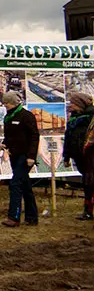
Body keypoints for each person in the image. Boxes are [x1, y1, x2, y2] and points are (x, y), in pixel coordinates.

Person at [0, 90, 39, 227]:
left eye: (7, 103)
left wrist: (31, 156)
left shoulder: (26, 116)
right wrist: (5, 143)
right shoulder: (8, 117)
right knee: (25, 185)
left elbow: (34, 136)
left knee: (15, 184)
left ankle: (14, 217)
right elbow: (10, 135)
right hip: (14, 155)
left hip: (25, 156)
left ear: (14, 103)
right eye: (4, 102)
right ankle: (32, 217)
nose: (5, 105)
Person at [63, 92, 93, 220]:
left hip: (90, 157)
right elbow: (68, 138)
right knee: (87, 183)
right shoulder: (73, 119)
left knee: (90, 183)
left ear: (80, 105)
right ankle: (88, 210)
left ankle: (89, 210)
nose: (70, 106)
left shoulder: (91, 118)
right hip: (79, 156)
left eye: (73, 103)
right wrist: (66, 156)